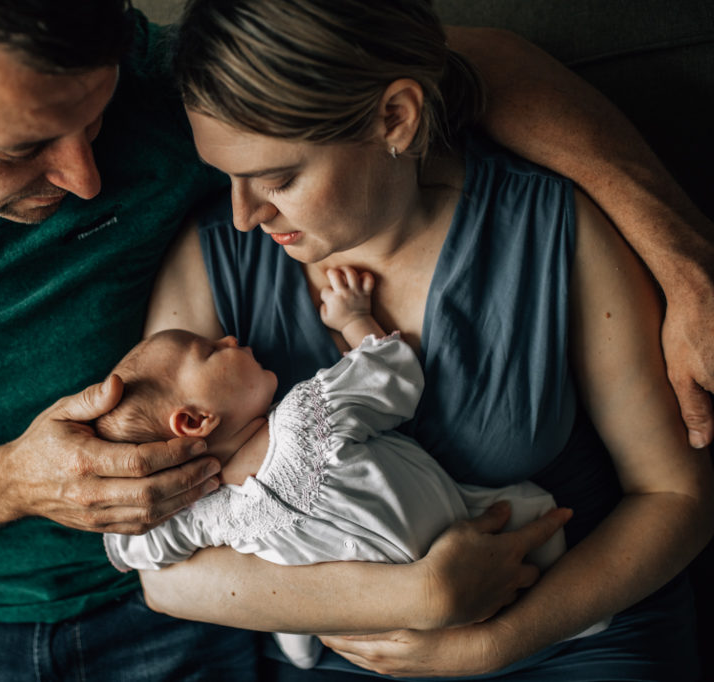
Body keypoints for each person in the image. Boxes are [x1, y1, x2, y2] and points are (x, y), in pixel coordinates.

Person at [0, 0, 712, 679]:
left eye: (95, 123)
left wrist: (679, 252)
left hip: (209, 626)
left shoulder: (168, 84)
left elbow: (441, 68)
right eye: (22, 148)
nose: (85, 176)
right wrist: (19, 482)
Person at [133, 0, 714, 679]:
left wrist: (488, 643)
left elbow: (677, 498)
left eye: (279, 179)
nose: (244, 215)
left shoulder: (549, 231)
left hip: (574, 630)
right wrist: (417, 600)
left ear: (395, 118)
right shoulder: (213, 262)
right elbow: (164, 574)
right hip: (349, 654)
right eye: (225, 177)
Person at [98, 266, 605, 669]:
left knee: (527, 517)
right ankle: (304, 637)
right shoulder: (205, 511)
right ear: (195, 420)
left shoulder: (311, 413)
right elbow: (137, 544)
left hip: (458, 529)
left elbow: (393, 371)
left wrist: (353, 321)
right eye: (209, 351)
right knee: (289, 607)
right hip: (370, 617)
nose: (229, 339)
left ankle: (565, 619)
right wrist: (128, 489)